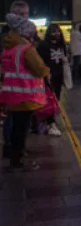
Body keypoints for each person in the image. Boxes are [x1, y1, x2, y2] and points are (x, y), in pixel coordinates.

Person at [0, 14, 49, 170]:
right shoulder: (26, 49)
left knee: (15, 128)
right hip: (26, 95)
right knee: (22, 129)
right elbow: (39, 69)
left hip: (12, 94)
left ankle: (14, 157)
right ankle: (18, 160)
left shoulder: (8, 47)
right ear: (26, 32)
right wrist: (47, 70)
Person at [1, 0, 30, 160]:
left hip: (23, 82)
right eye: (20, 14)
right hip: (10, 81)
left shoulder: (27, 33)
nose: (23, 18)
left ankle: (16, 147)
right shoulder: (8, 34)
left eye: (25, 14)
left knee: (21, 117)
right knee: (11, 117)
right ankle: (12, 149)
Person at [36, 24, 67, 136]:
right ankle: (49, 122)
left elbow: (64, 58)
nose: (56, 34)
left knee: (55, 99)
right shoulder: (43, 45)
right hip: (46, 77)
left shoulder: (61, 45)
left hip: (58, 76)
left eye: (58, 31)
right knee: (47, 99)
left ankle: (50, 121)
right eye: (53, 32)